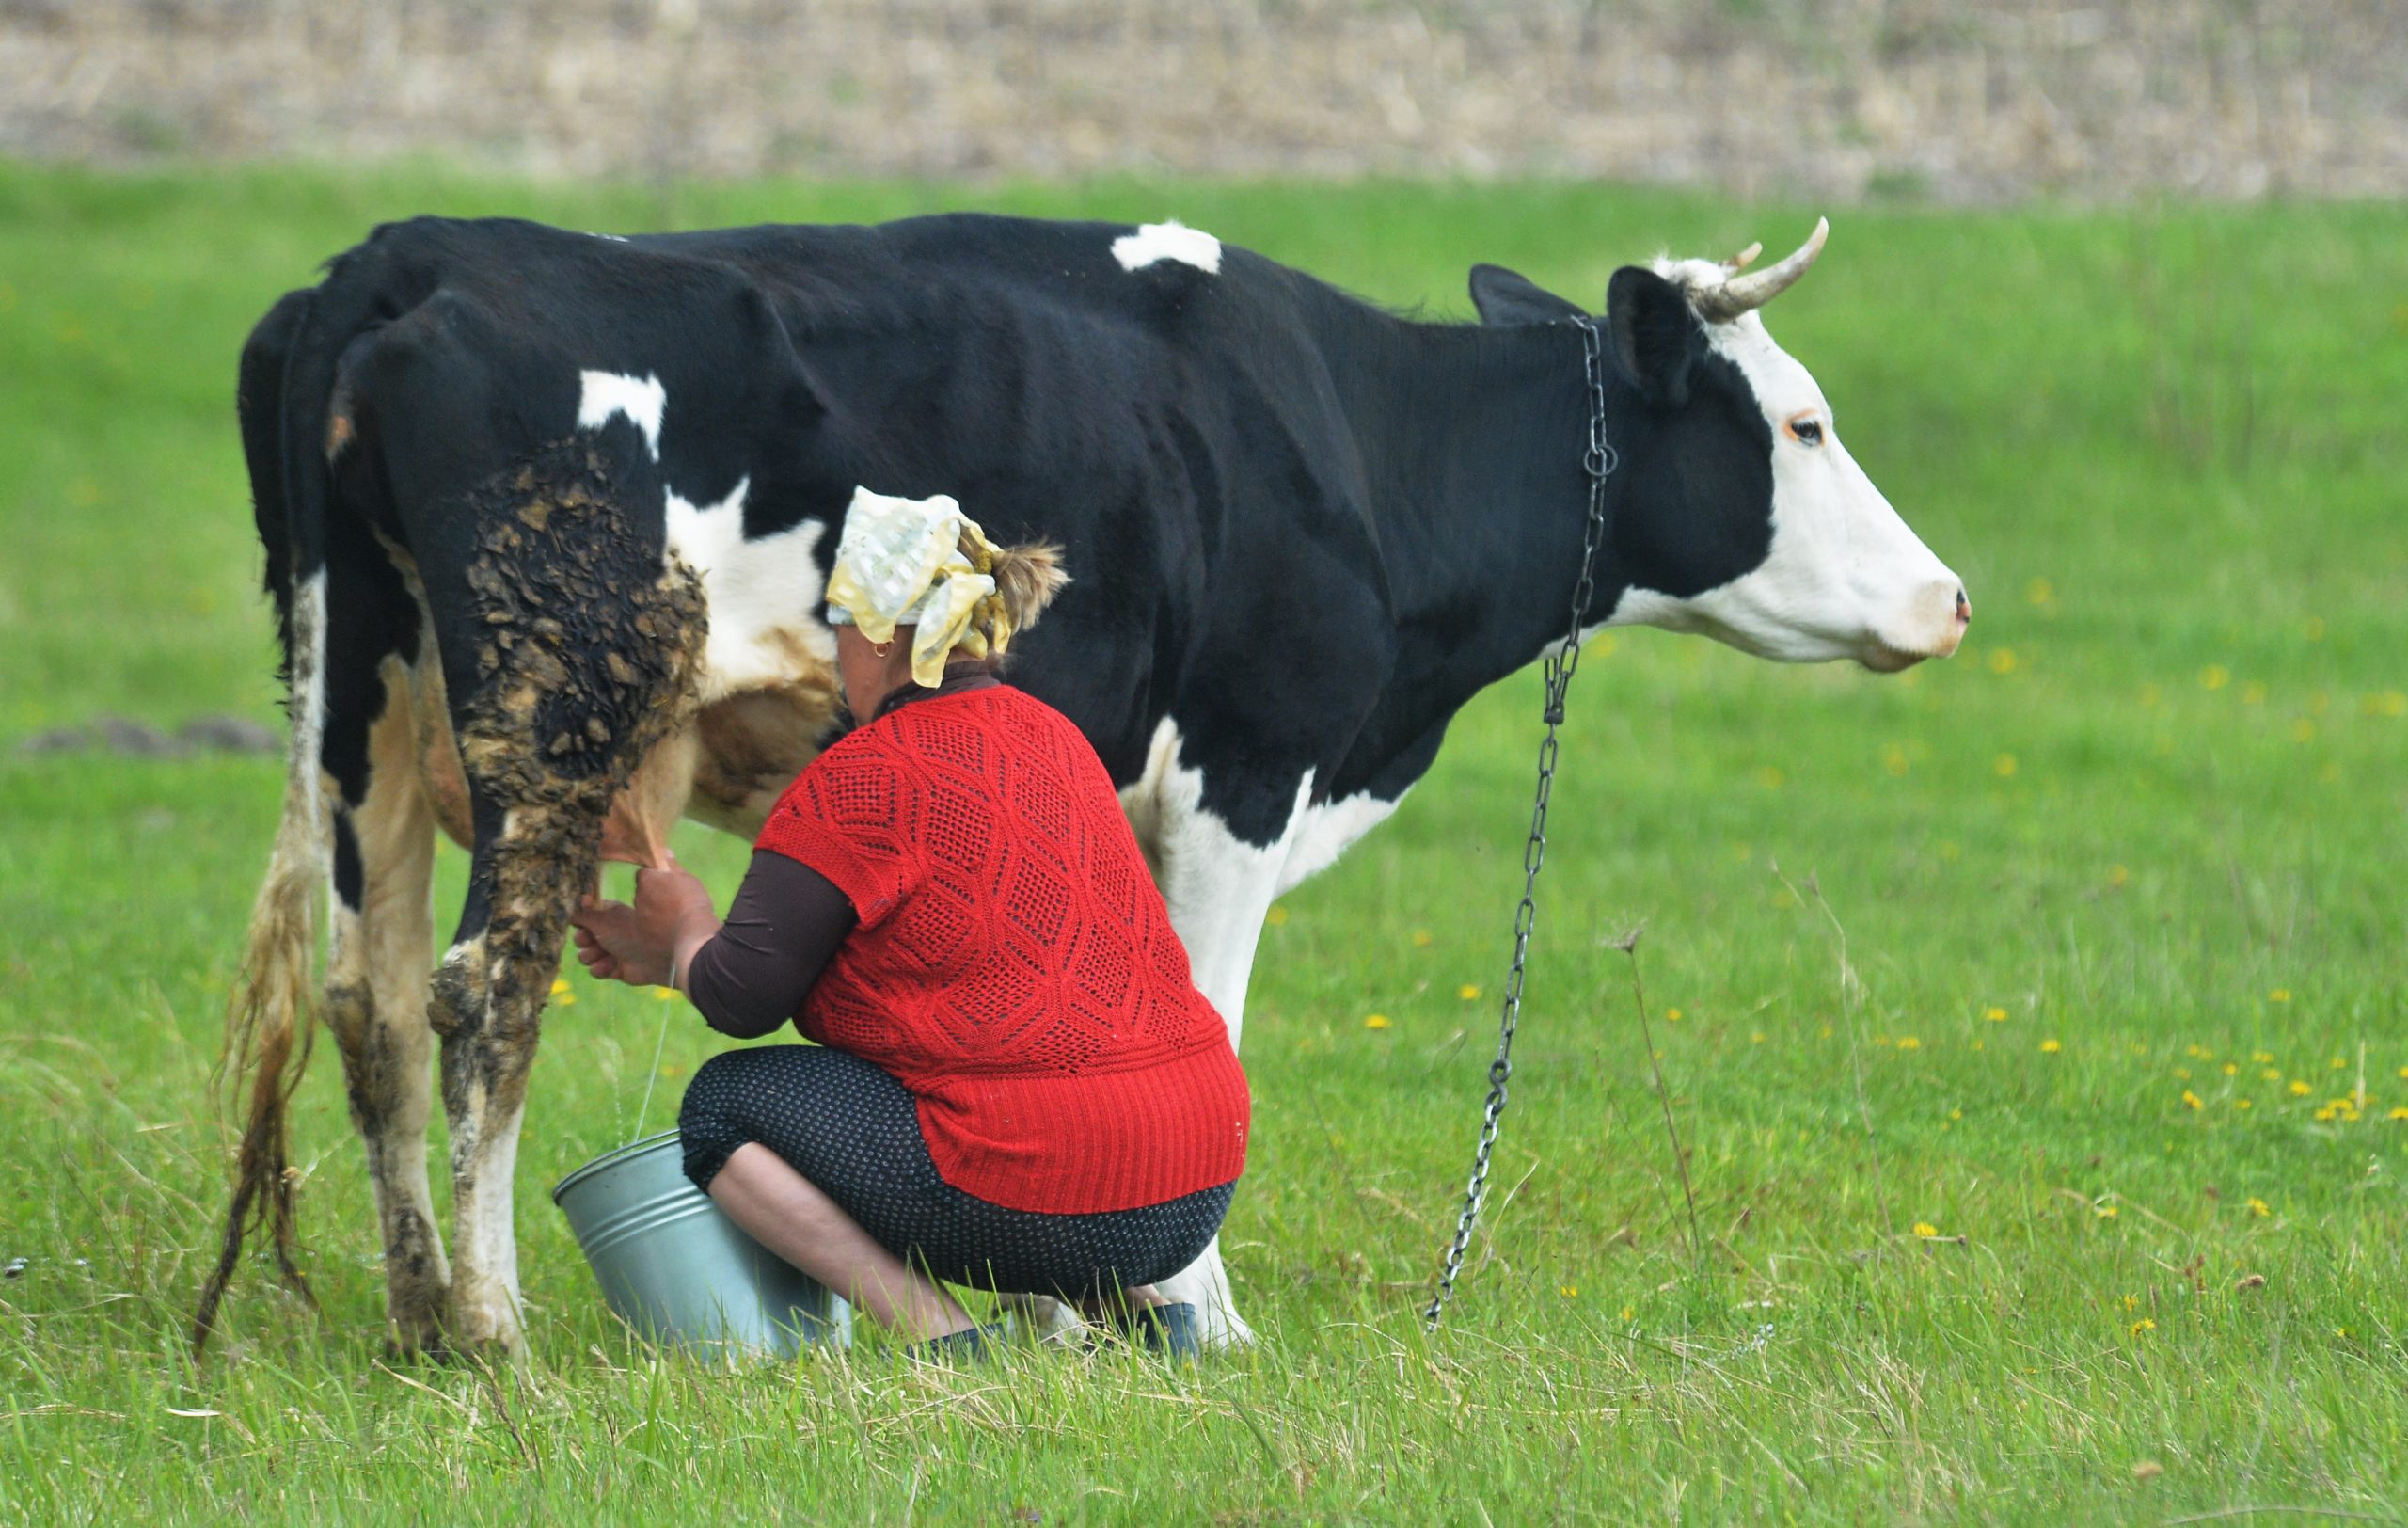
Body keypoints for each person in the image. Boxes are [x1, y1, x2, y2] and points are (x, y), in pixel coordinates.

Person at [569, 487, 1248, 1360]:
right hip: (1197, 1169)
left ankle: (945, 1340)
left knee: (722, 1113)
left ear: (883, 636)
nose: (836, 654)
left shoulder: (861, 778)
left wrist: (689, 921)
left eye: (840, 627)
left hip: (1044, 1176)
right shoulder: (1058, 738)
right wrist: (673, 957)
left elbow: (742, 998)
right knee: (1047, 1076)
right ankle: (1151, 1321)